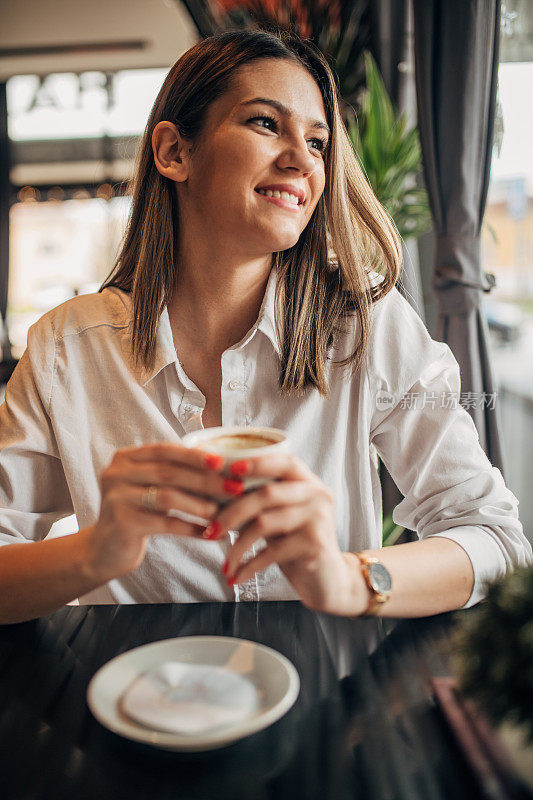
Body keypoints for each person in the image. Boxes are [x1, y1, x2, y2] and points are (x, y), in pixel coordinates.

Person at [0, 29, 530, 626]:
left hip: (324, 700)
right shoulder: (64, 352)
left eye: (318, 141)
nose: (303, 160)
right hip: (137, 703)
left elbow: (495, 539)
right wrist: (94, 554)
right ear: (175, 152)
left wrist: (349, 579)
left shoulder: (366, 328)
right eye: (265, 124)